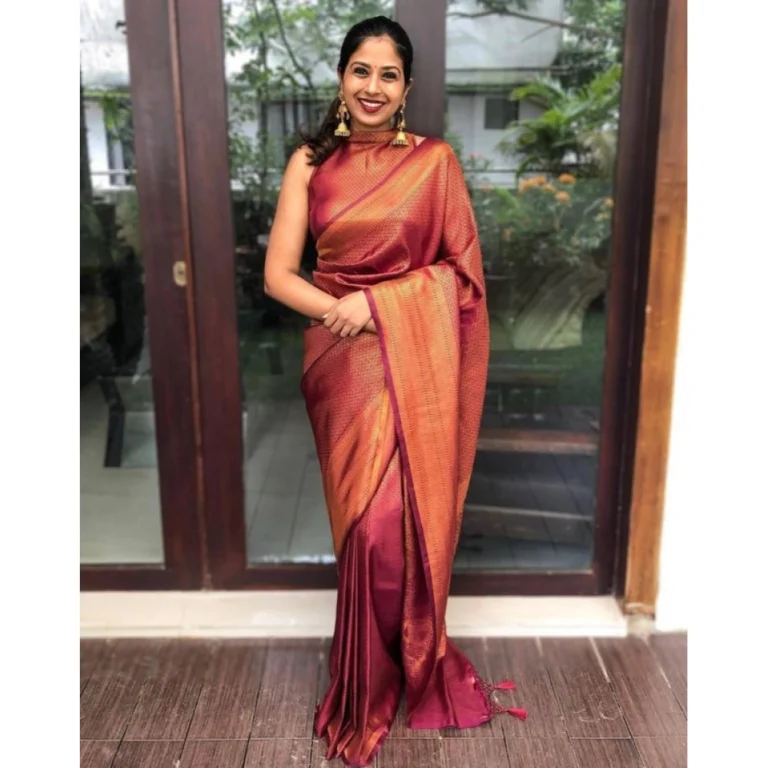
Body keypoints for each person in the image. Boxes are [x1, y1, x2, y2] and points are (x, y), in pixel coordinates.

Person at [264, 15, 527, 767]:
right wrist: (344, 312)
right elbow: (279, 275)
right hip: (343, 362)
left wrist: (380, 303)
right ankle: (364, 684)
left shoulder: (434, 163)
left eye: (388, 75)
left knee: (402, 526)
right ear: (341, 77)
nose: (373, 87)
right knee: (366, 531)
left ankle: (406, 666)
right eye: (361, 70)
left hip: (415, 355)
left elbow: (462, 275)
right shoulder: (310, 162)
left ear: (406, 87)